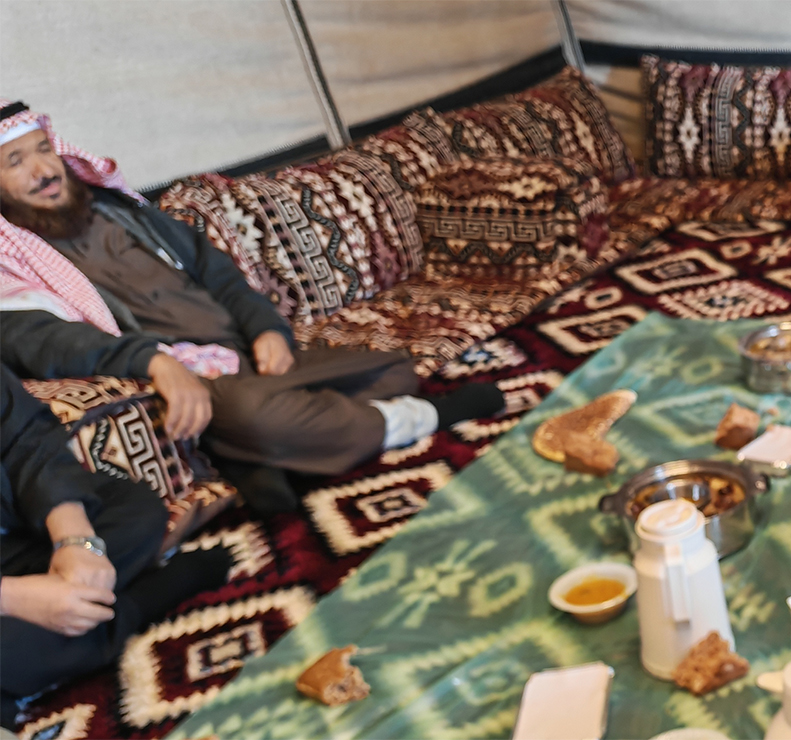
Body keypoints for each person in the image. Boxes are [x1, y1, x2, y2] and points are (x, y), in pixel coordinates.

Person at [0, 101, 505, 513]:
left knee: (394, 370)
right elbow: (49, 343)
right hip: (194, 378)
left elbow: (218, 272)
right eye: (16, 162)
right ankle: (419, 418)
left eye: (44, 149)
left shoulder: (117, 210)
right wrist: (154, 362)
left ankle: (271, 457)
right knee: (253, 414)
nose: (45, 170)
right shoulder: (11, 267)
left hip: (248, 356)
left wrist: (267, 330)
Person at [0, 365, 233, 730]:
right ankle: (139, 602)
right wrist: (13, 599)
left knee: (135, 508)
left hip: (11, 532)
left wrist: (74, 539)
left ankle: (71, 617)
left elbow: (25, 435)